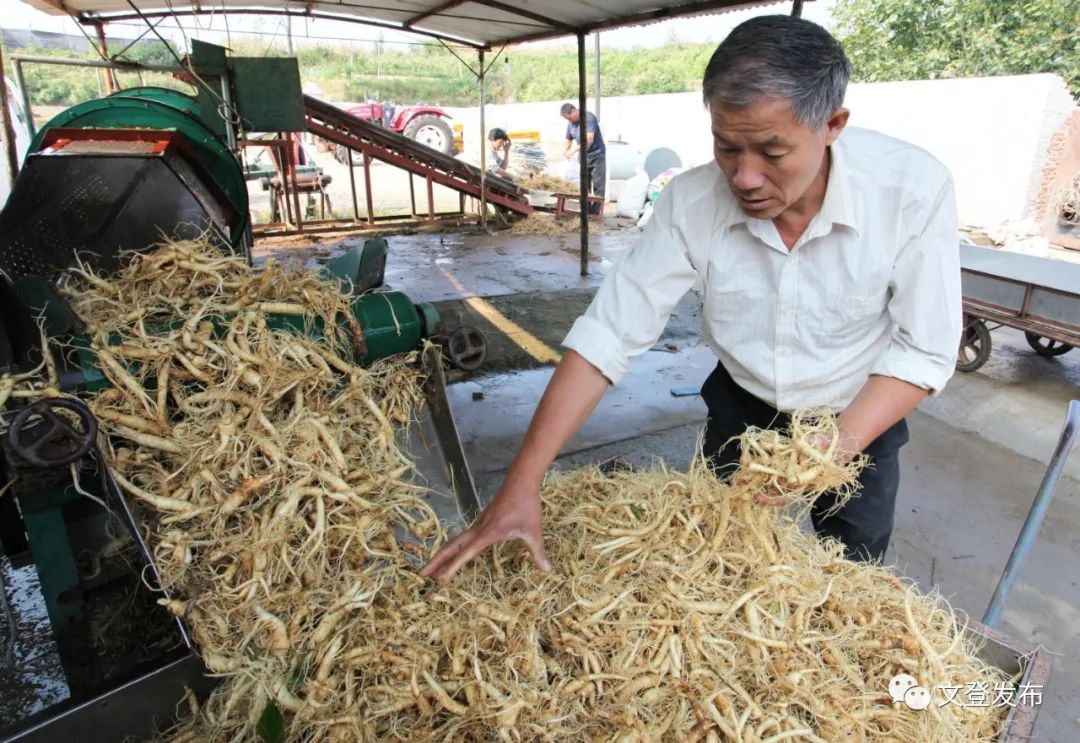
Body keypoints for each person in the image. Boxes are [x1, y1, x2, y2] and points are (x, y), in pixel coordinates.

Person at [422, 15, 961, 583]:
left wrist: (828, 450)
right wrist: (521, 482)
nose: (745, 177)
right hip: (743, 407)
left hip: (859, 413)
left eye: (771, 153)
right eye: (727, 147)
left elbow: (923, 350)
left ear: (832, 124)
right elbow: (609, 333)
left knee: (852, 575)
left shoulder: (911, 192)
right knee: (714, 562)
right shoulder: (691, 203)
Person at [560, 102, 606, 201]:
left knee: (598, 184)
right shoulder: (571, 123)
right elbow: (568, 139)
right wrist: (565, 151)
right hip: (583, 156)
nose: (569, 120)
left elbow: (589, 139)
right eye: (567, 119)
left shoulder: (589, 118)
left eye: (569, 117)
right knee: (583, 184)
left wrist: (574, 149)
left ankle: (597, 213)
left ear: (574, 111)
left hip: (596, 154)